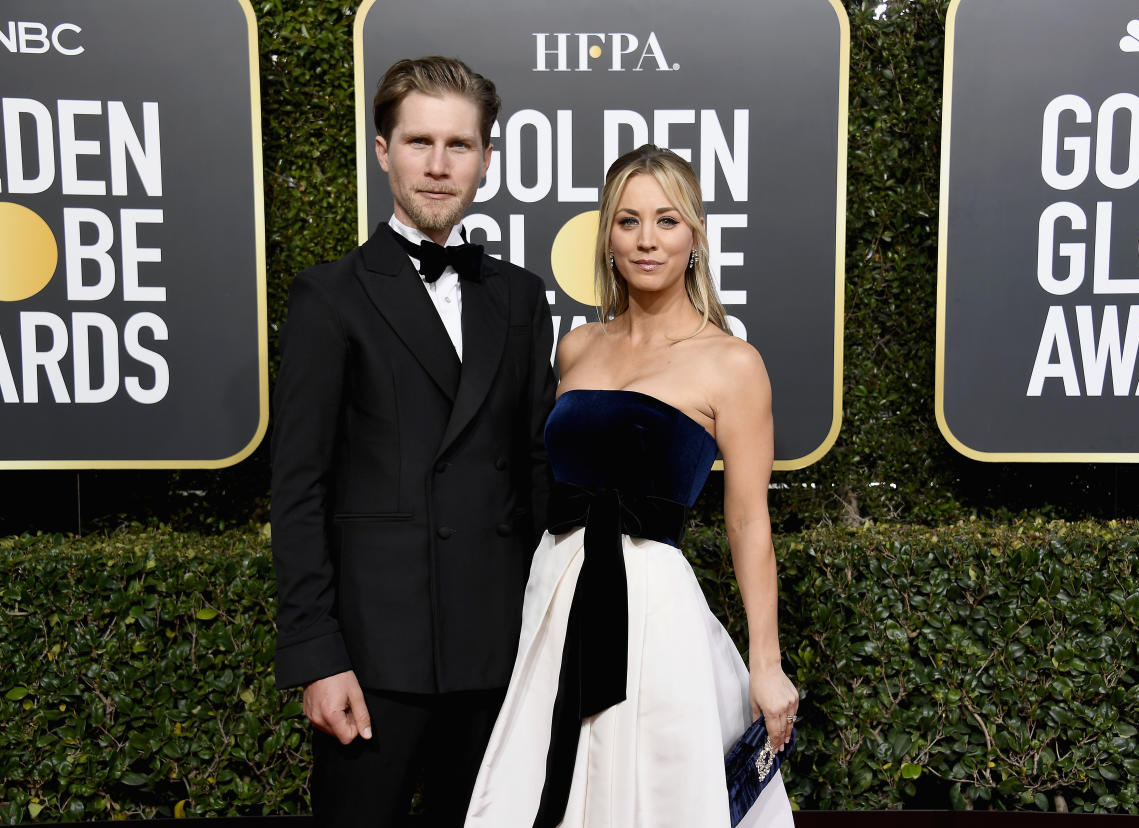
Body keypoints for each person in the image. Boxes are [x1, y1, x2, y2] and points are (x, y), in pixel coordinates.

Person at [465, 144, 799, 826]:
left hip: (652, 608)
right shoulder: (578, 347)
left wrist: (766, 664)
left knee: (652, 791)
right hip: (555, 593)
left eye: (667, 221)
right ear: (608, 237)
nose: (647, 239)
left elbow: (747, 523)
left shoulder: (732, 362)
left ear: (696, 235)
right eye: (628, 221)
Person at [270, 56, 556, 827]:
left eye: (459, 146)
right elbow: (299, 490)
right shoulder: (329, 298)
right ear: (382, 149)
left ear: (487, 159)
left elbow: (535, 476)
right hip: (374, 659)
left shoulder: (522, 299)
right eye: (419, 141)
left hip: (497, 652)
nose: (438, 166)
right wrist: (317, 655)